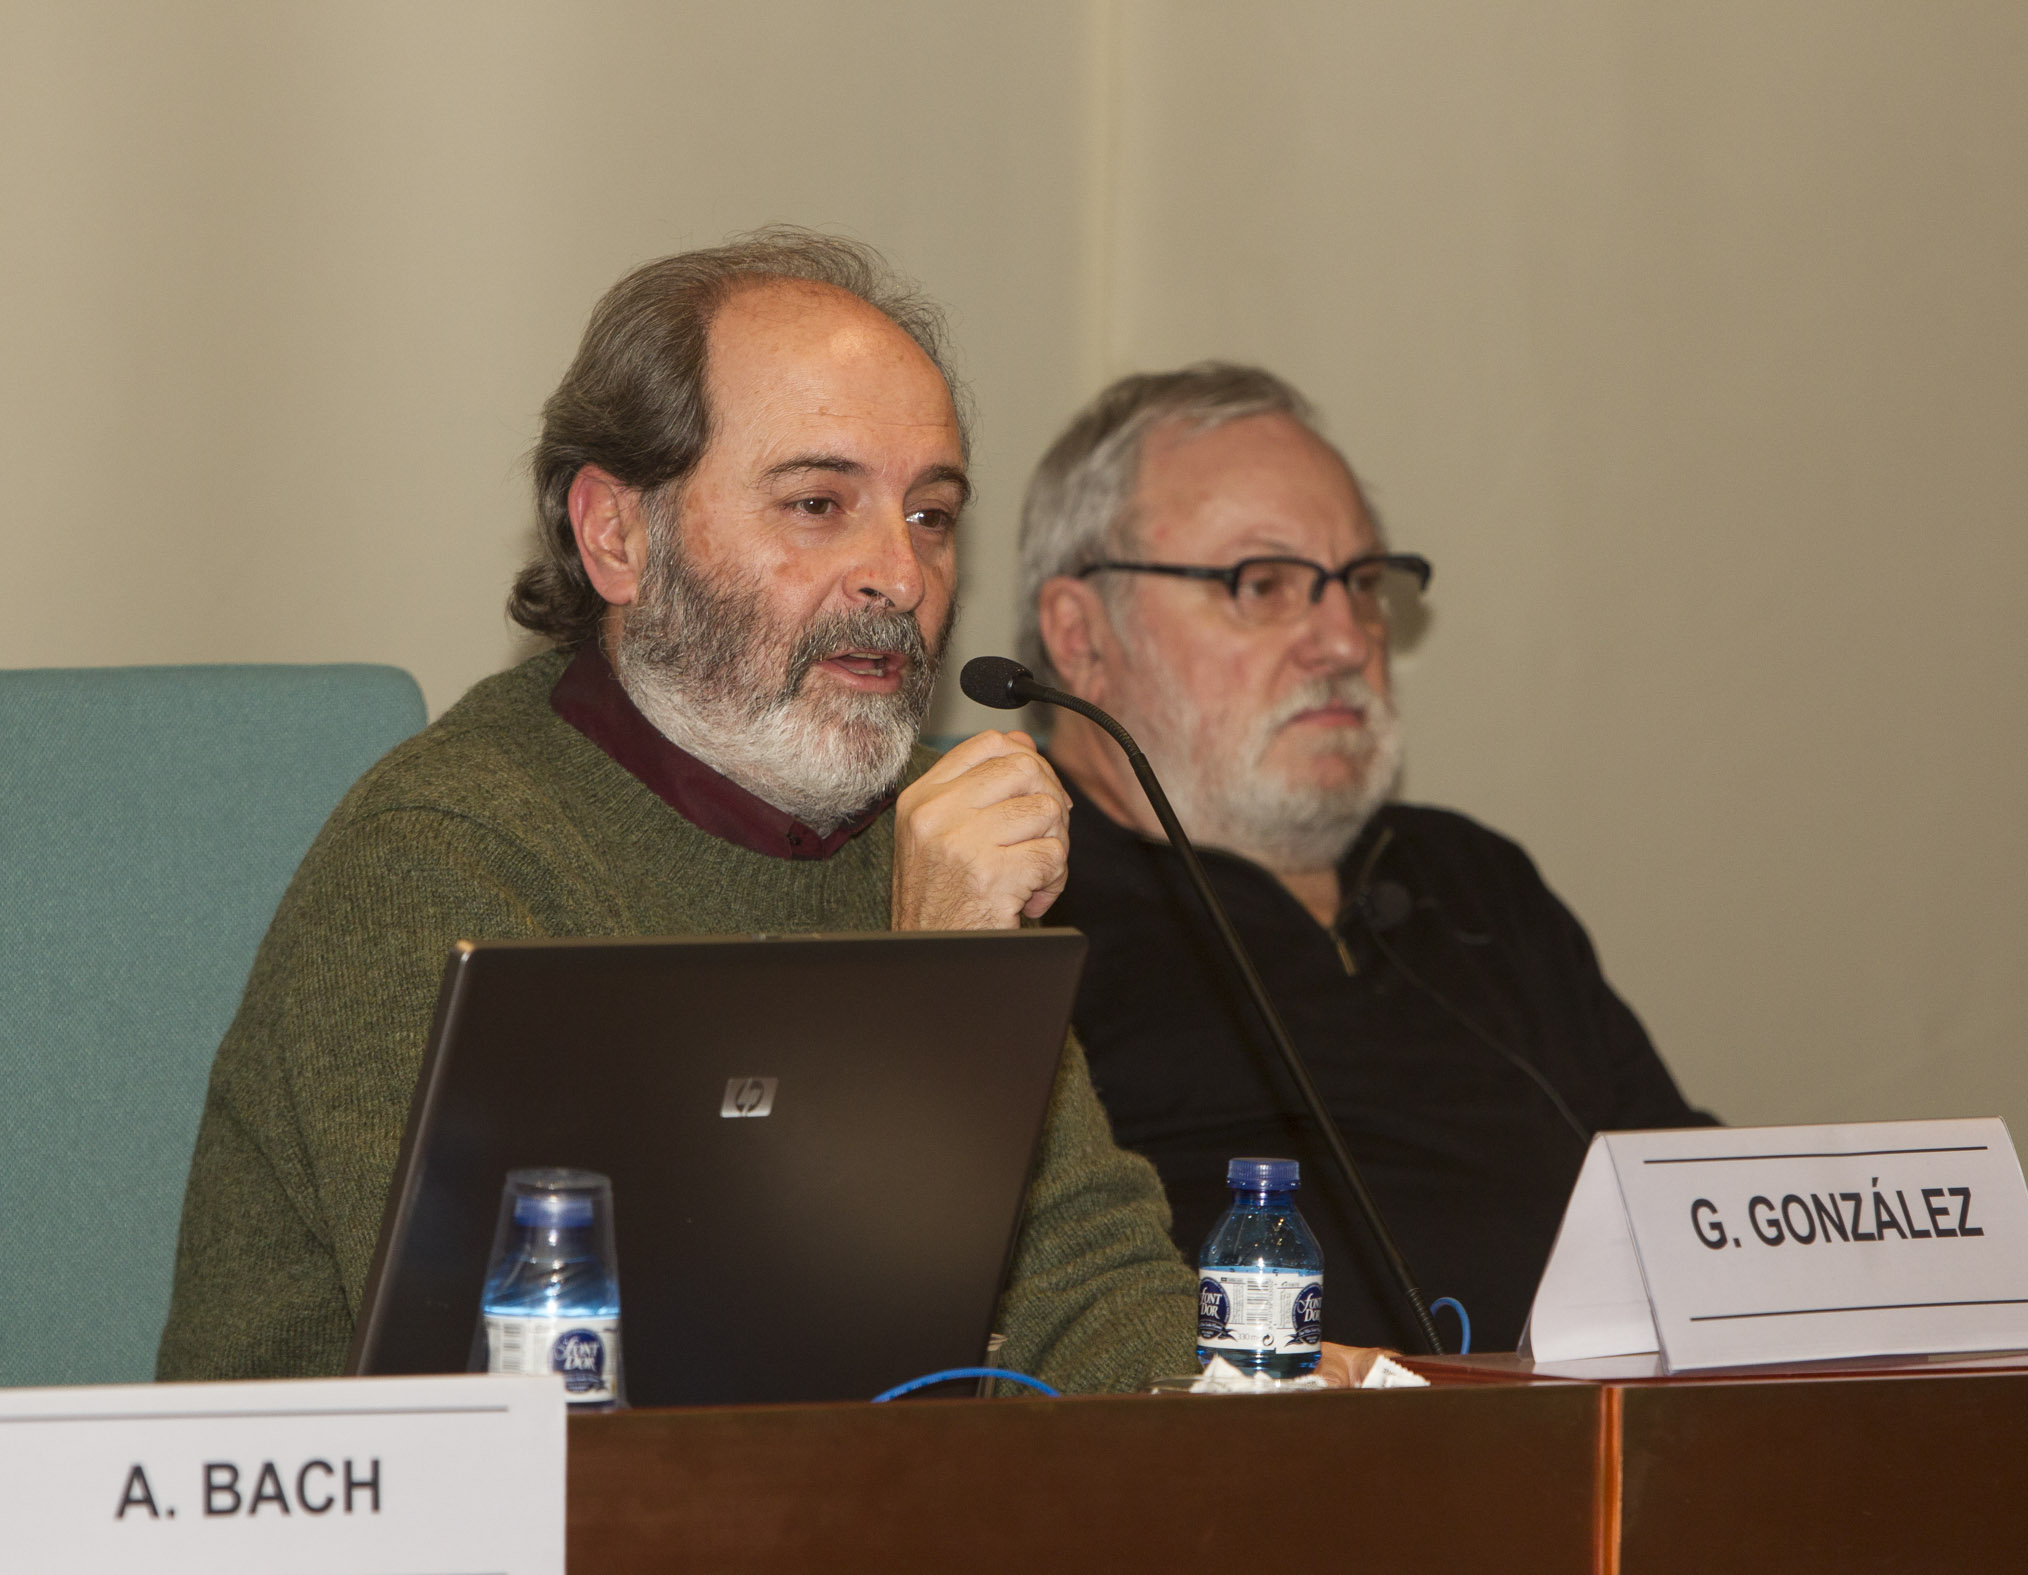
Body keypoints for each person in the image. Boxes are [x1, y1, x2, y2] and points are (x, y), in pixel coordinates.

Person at [154, 228, 1214, 1391]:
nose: (901, 576)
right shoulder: (442, 861)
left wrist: (1260, 1407)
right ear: (617, 535)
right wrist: (929, 998)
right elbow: (610, 1400)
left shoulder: (922, 829)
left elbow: (1088, 1277)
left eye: (930, 515)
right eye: (817, 503)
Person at [1019, 364, 1714, 1354]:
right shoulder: (1020, 904)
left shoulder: (1474, 882)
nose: (1344, 639)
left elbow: (1703, 1217)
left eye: (1361, 583)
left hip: (1599, 1436)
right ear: (1080, 635)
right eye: (1263, 585)